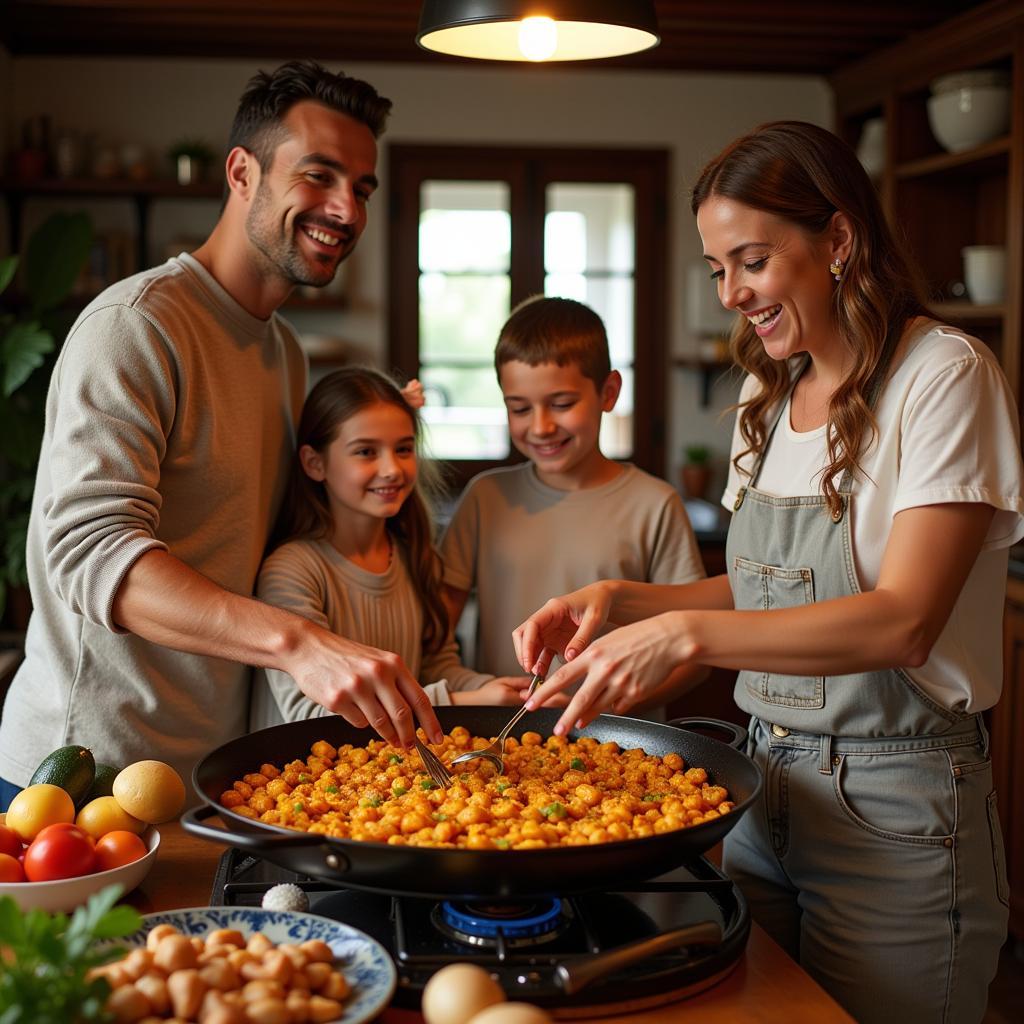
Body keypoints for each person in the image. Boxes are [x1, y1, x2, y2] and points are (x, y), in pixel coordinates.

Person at [512, 122, 1022, 1024]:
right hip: (763, 787)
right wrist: (623, 601)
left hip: (897, 803)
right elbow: (767, 584)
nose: (732, 293)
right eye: (718, 269)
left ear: (838, 241)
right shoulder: (768, 393)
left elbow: (903, 620)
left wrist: (685, 632)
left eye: (750, 260)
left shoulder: (943, 376)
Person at [0, 60, 443, 810]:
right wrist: (303, 643)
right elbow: (92, 555)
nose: (346, 208)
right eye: (319, 175)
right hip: (86, 770)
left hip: (216, 767)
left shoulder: (285, 352)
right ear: (243, 172)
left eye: (362, 188)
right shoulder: (136, 325)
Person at [441, 295, 707, 714]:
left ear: (609, 392)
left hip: (618, 743)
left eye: (562, 404)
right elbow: (436, 632)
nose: (541, 426)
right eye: (519, 408)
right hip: (503, 734)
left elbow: (695, 651)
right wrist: (479, 690)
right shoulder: (484, 498)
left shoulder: (655, 504)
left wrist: (611, 709)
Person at [251, 366, 534, 728]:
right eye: (366, 451)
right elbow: (311, 718)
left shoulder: (417, 557)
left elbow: (437, 666)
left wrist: (501, 690)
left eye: (403, 449)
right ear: (314, 463)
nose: (392, 469)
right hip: (300, 774)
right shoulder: (292, 570)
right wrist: (463, 701)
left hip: (388, 767)